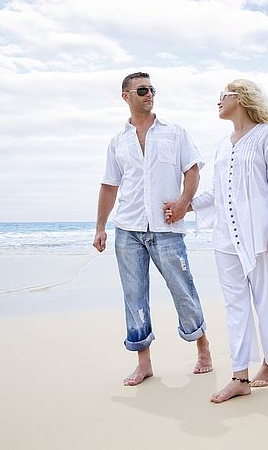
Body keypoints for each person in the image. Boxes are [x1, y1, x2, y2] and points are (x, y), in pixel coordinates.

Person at [165, 78, 268, 403]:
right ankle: (240, 376)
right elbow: (219, 193)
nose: (218, 102)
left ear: (241, 97)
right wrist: (186, 205)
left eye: (222, 95)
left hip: (259, 235)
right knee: (235, 306)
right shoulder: (224, 145)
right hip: (224, 237)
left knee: (266, 300)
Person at [93, 71, 212, 386]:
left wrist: (184, 202)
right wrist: (100, 227)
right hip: (128, 230)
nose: (149, 94)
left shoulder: (175, 133)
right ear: (126, 96)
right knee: (134, 296)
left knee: (182, 290)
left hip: (166, 228)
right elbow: (109, 186)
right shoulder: (117, 141)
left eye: (152, 89)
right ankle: (143, 363)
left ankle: (203, 350)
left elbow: (192, 171)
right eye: (142, 90)